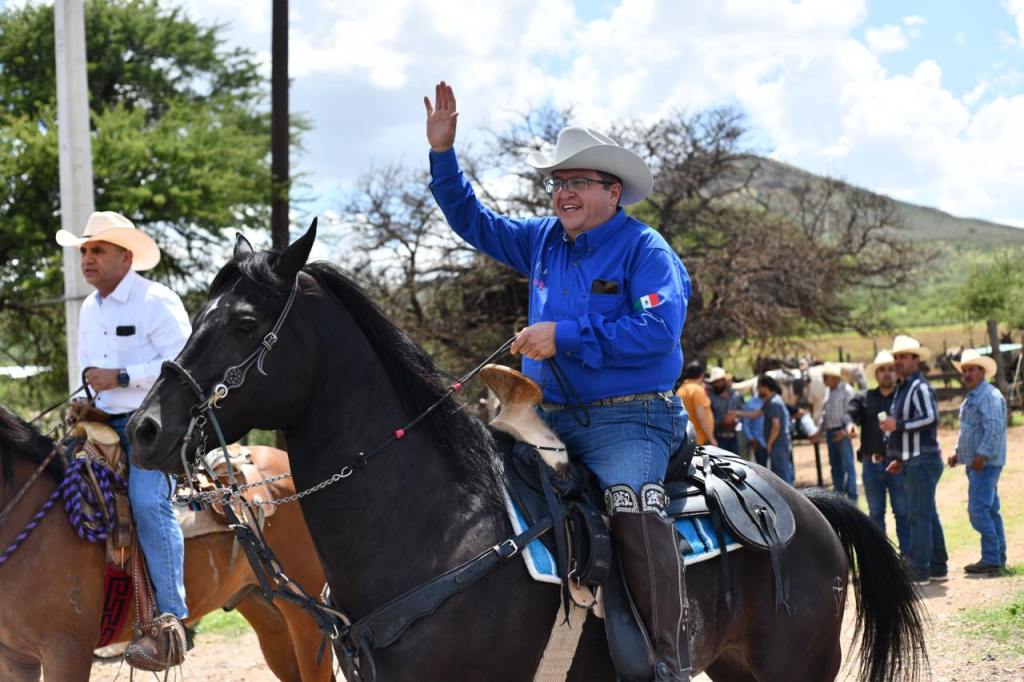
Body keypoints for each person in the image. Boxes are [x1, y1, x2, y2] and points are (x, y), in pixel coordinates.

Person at [425, 81, 692, 680]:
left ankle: (666, 661)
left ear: (612, 191)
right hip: (542, 417)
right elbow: (472, 220)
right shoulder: (543, 240)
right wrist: (443, 154)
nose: (563, 192)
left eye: (578, 182)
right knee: (460, 478)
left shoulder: (645, 250)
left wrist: (563, 335)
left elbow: (658, 331)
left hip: (631, 415)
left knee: (631, 502)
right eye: (557, 182)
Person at [56, 211, 191, 669]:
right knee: (53, 487)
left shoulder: (156, 301)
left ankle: (172, 620)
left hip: (156, 423)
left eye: (97, 250)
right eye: (85, 251)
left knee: (147, 501)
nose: (88, 259)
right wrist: (82, 400)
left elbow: (187, 364)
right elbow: (89, 374)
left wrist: (124, 376)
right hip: (102, 424)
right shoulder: (89, 308)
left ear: (125, 257)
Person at [880, 335, 948, 586]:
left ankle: (919, 570)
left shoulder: (918, 387)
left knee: (919, 515)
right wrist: (899, 457)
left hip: (923, 459)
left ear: (915, 359)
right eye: (896, 357)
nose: (898, 361)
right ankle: (938, 566)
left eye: (903, 357)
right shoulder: (904, 388)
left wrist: (897, 424)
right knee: (927, 513)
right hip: (914, 460)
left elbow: (930, 418)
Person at [948, 349, 1007, 575]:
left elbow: (993, 428)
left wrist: (981, 456)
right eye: (965, 370)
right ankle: (997, 556)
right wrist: (957, 452)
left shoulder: (988, 396)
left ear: (983, 372)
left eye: (972, 369)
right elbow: (968, 431)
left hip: (985, 463)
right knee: (990, 509)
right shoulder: (975, 396)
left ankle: (992, 557)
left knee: (978, 510)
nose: (968, 374)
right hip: (978, 462)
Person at [846, 351, 910, 555]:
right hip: (871, 464)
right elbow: (850, 414)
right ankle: (882, 559)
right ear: (876, 374)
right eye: (882, 370)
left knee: (902, 511)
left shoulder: (902, 396)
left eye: (891, 369)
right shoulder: (864, 397)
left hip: (898, 463)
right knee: (875, 513)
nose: (887, 374)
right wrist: (849, 425)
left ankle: (907, 556)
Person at [735, 375, 793, 483]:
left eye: (759, 386)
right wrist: (738, 413)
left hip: (778, 443)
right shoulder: (770, 400)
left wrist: (769, 443)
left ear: (765, 386)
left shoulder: (774, 402)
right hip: (777, 443)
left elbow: (776, 426)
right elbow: (757, 414)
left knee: (782, 473)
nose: (758, 389)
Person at [813, 363, 857, 501]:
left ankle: (852, 497)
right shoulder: (829, 392)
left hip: (842, 433)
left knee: (847, 466)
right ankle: (839, 498)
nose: (824, 380)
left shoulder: (847, 391)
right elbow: (826, 416)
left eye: (826, 377)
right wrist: (819, 432)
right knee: (835, 466)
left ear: (833, 378)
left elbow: (852, 415)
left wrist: (844, 432)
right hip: (831, 433)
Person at [676, 361, 716, 446]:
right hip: (700, 441)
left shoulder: (681, 390)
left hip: (685, 441)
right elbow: (702, 416)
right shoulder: (698, 390)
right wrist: (711, 438)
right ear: (701, 375)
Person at [708, 366, 743, 453]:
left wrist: (735, 420)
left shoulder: (736, 396)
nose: (717, 384)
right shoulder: (710, 398)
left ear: (724, 381)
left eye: (719, 381)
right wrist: (721, 423)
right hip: (718, 438)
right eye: (715, 382)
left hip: (733, 437)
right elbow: (708, 417)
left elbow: (742, 412)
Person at [739, 388, 766, 467]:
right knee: (761, 468)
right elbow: (745, 423)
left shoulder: (772, 402)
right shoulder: (750, 404)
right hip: (758, 441)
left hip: (772, 441)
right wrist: (751, 438)